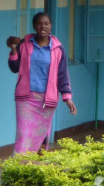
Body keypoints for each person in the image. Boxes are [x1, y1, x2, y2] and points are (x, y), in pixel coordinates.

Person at [7, 12, 76, 155]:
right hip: (26, 99)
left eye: (46, 23)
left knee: (41, 137)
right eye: (39, 23)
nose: (42, 26)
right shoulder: (24, 45)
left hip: (47, 100)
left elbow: (62, 74)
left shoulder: (57, 49)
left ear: (51, 26)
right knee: (23, 134)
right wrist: (14, 50)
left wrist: (67, 98)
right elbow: (14, 68)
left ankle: (36, 167)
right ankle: (20, 167)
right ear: (34, 26)